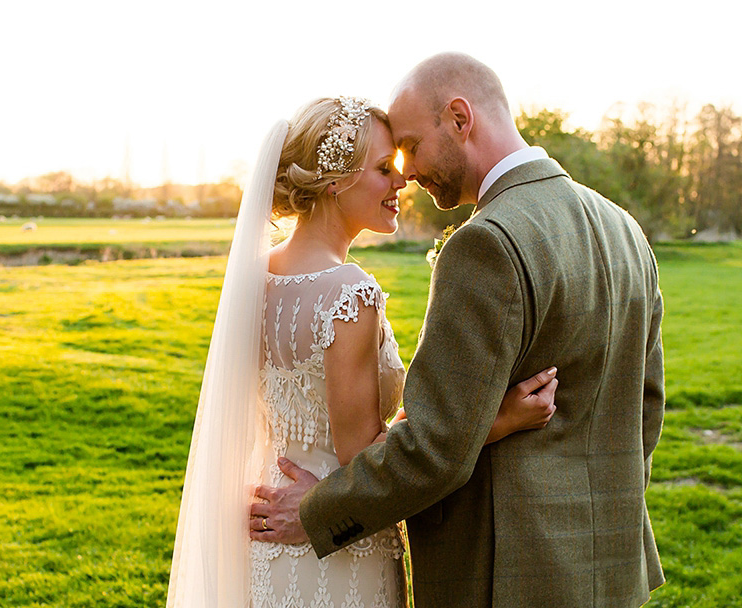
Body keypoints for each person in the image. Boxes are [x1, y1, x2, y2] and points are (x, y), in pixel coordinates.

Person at [253, 53, 666, 607]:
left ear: (459, 118)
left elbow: (433, 447)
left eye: (414, 146)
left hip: (509, 574)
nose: (411, 172)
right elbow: (646, 406)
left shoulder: (487, 241)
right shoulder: (625, 230)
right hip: (611, 573)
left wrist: (318, 511)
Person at [166, 95, 559, 607]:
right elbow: (361, 455)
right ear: (335, 180)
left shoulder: (256, 276)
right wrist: (495, 421)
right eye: (383, 168)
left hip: (266, 528)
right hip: (335, 541)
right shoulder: (348, 293)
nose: (402, 181)